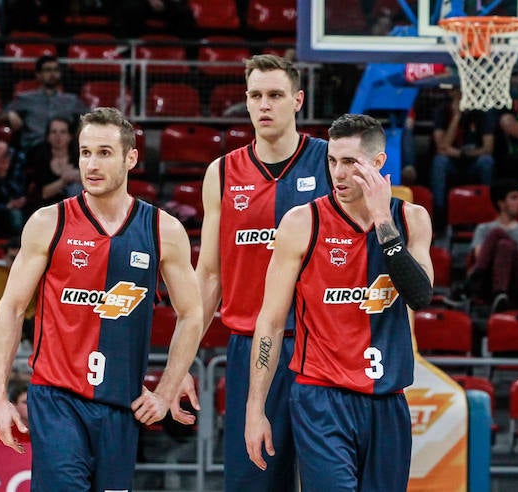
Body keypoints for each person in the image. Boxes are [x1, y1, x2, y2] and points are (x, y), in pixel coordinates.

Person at [0, 107, 204, 491]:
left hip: (121, 404)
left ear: (130, 158)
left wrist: (167, 389)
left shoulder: (163, 230)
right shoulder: (48, 222)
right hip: (57, 398)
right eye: (85, 152)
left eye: (104, 152)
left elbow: (191, 314)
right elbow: (11, 307)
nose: (92, 163)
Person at [245, 114, 433, 491]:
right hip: (322, 398)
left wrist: (382, 219)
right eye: (332, 161)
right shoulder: (302, 223)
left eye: (350, 162)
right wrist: (255, 407)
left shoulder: (411, 220)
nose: (338, 173)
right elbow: (269, 321)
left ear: (379, 164)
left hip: (388, 400)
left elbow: (421, 296)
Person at [194, 54, 330, 492]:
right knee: (253, 482)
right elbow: (209, 274)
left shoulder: (330, 164)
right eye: (256, 96)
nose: (264, 105)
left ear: (297, 100)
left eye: (275, 95)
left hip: (323, 349)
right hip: (251, 348)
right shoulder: (221, 172)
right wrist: (179, 363)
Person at [467, 178, 518, 312]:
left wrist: (506, 248)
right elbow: (478, 254)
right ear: (501, 204)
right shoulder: (483, 229)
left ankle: (475, 283)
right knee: (503, 244)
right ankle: (499, 295)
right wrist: (512, 249)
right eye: (514, 198)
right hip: (490, 281)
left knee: (501, 240)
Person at [430, 88, 496, 223]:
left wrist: (461, 154)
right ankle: (439, 214)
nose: (463, 95)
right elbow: (442, 147)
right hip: (451, 164)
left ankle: (489, 207)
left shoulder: (482, 112)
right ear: (451, 94)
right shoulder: (442, 111)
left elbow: (488, 148)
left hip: (473, 162)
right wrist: (456, 117)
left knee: (486, 161)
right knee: (439, 161)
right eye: (458, 92)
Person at [4, 55, 89, 151]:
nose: (52, 74)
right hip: (34, 148)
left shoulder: (71, 100)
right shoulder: (25, 98)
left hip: (63, 150)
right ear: (38, 75)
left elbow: (90, 117)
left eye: (56, 70)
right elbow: (0, 115)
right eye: (48, 70)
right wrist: (10, 113)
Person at [26, 116, 83, 208]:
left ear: (70, 136)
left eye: (63, 132)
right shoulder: (40, 158)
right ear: (48, 137)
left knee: (76, 187)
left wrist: (80, 176)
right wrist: (64, 180)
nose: (58, 136)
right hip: (47, 208)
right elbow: (42, 194)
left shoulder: (80, 157)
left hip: (75, 207)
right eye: (54, 132)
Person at [0, 379, 29, 443]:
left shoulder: (47, 426)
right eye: (25, 402)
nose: (31, 406)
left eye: (34, 402)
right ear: (14, 406)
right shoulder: (3, 429)